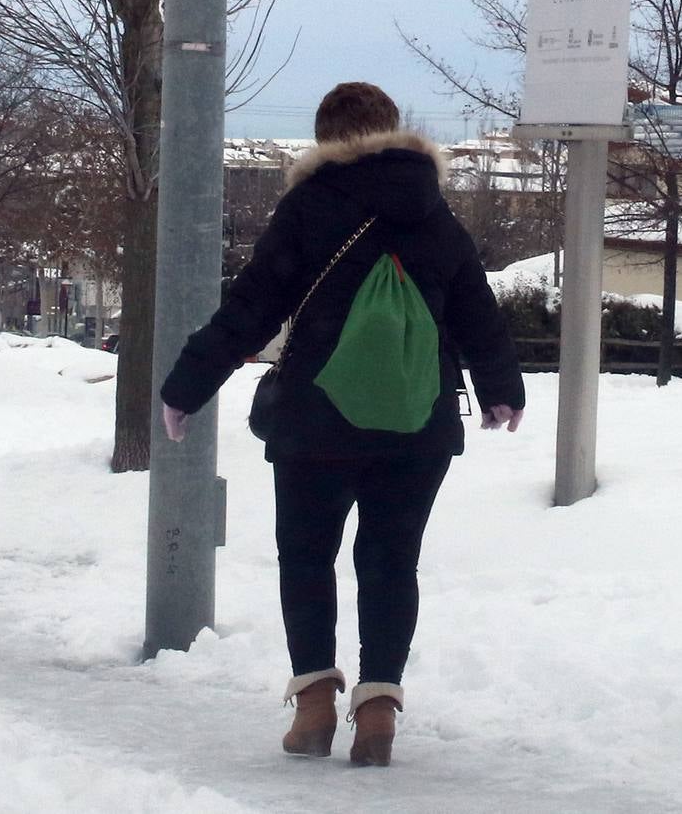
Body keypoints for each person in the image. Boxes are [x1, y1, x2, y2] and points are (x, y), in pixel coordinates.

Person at [159, 82, 525, 767]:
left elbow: (252, 306)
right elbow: (476, 308)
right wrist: (501, 388)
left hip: (314, 421)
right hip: (417, 421)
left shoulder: (308, 207)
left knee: (306, 557)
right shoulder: (434, 213)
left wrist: (187, 385)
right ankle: (379, 707)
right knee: (391, 559)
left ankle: (315, 704)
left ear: (327, 139)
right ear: (393, 131)